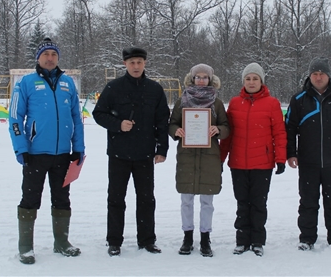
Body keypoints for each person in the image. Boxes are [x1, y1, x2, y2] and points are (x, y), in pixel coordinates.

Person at [9, 37, 85, 264]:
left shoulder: (67, 83)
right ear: (38, 58)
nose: (50, 59)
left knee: (62, 198)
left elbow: (76, 117)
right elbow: (14, 118)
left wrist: (78, 147)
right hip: (35, 154)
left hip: (62, 154)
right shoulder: (26, 83)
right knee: (31, 198)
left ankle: (61, 242)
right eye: (46, 55)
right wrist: (21, 147)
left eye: (54, 55)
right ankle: (26, 247)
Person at [92, 47, 170, 257]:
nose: (136, 66)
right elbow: (98, 113)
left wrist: (162, 149)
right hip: (119, 154)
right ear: (125, 64)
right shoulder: (113, 88)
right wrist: (118, 124)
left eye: (139, 62)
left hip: (145, 154)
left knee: (146, 199)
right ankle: (114, 240)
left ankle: (147, 240)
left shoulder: (155, 89)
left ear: (145, 63)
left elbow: (163, 121)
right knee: (116, 199)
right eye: (132, 62)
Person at [285, 56, 331, 256]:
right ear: (310, 76)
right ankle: (307, 239)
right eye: (315, 74)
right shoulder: (299, 99)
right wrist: (291, 153)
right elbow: (289, 128)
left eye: (322, 74)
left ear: (328, 75)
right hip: (307, 161)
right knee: (308, 202)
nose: (318, 77)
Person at [220, 62, 287, 257]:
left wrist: (280, 159)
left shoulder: (272, 104)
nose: (251, 82)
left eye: (255, 78)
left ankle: (257, 241)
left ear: (261, 81)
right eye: (248, 79)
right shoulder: (234, 103)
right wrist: (220, 159)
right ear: (243, 81)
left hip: (262, 164)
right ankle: (242, 241)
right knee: (242, 203)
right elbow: (227, 136)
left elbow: (279, 133)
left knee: (258, 204)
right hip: (238, 163)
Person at [168, 64, 230, 257]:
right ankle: (187, 237)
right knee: (186, 200)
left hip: (209, 157)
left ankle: (205, 238)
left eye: (205, 77)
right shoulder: (182, 101)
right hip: (187, 156)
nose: (201, 80)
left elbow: (226, 126)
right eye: (198, 77)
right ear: (192, 79)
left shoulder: (217, 102)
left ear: (210, 80)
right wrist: (176, 131)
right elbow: (172, 123)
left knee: (207, 201)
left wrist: (218, 130)